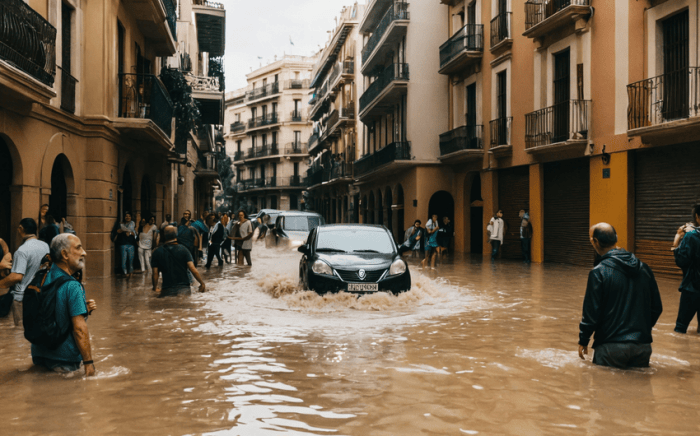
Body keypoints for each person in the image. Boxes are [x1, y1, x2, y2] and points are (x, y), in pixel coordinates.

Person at [578, 223, 663, 369]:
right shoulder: (644, 268)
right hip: (642, 347)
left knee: (605, 389)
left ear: (596, 242)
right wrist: (641, 331)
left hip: (610, 348)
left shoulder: (598, 272)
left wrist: (583, 339)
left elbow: (591, 313)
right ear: (616, 239)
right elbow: (657, 308)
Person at [31, 234, 97, 376]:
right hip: (65, 361)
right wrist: (88, 363)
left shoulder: (41, 277)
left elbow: (50, 310)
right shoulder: (73, 286)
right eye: (79, 248)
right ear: (65, 254)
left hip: (39, 357)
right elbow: (79, 329)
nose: (84, 253)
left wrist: (81, 307)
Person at [0, 218, 50, 327]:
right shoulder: (45, 246)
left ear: (21, 229)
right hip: (42, 294)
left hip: (23, 298)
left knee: (20, 333)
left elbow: (16, 277)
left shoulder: (22, 251)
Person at [151, 226, 206, 297]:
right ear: (176, 235)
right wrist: (202, 283)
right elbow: (193, 269)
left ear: (164, 235)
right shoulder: (183, 249)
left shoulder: (157, 252)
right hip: (184, 289)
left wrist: (155, 288)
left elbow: (155, 273)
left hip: (167, 290)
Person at [671, 203, 700, 334]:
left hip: (693, 286)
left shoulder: (691, 236)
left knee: (680, 328)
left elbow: (682, 261)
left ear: (697, 217)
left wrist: (676, 241)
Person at [116, 212, 137, 278]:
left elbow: (134, 234)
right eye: (126, 216)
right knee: (123, 260)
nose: (127, 217)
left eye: (129, 216)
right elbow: (118, 231)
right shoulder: (120, 225)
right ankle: (125, 273)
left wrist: (129, 232)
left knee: (131, 260)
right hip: (123, 245)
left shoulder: (132, 224)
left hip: (131, 245)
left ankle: (130, 272)